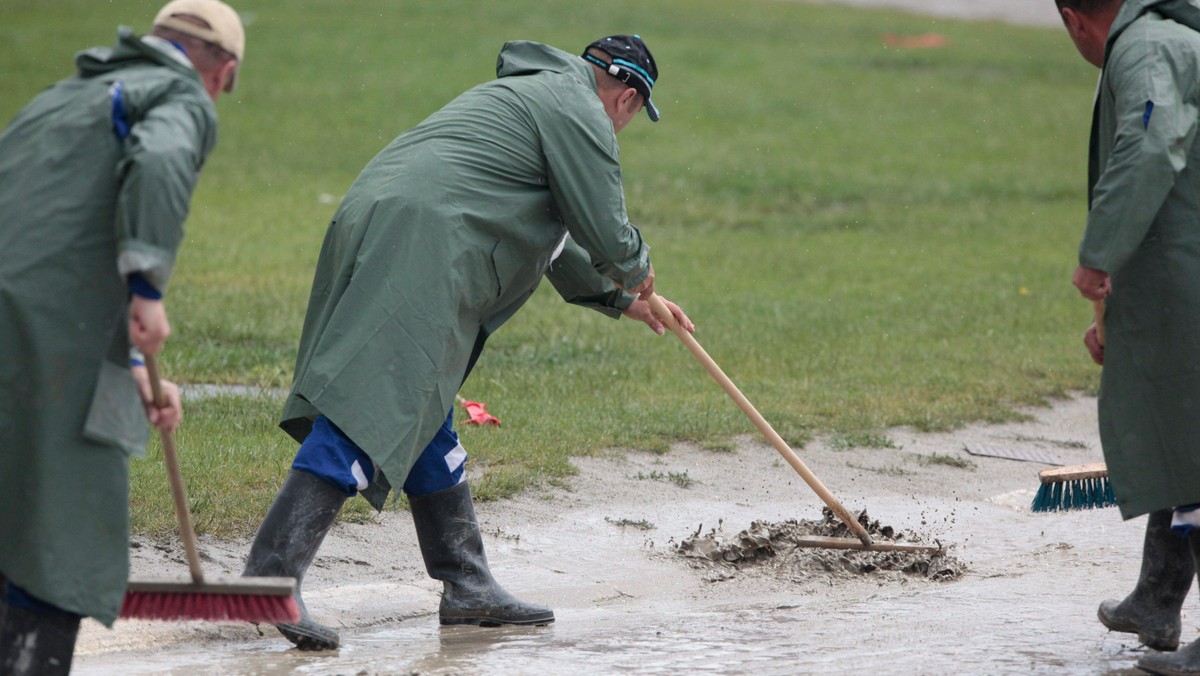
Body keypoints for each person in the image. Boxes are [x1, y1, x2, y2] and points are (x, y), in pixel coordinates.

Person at [241, 34, 694, 650]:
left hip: (385, 213)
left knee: (422, 401)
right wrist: (637, 270)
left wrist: (624, 300)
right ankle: (270, 576)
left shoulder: (536, 95)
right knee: (375, 402)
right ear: (628, 97)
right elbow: (606, 229)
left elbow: (557, 238)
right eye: (637, 111)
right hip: (426, 235)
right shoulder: (581, 110)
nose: (629, 122)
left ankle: (467, 583)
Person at [0, 1, 245, 672]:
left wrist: (136, 367)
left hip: (28, 315)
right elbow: (162, 158)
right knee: (63, 509)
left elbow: (55, 226)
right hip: (46, 325)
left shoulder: (63, 95)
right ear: (220, 73)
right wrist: (148, 287)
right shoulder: (181, 98)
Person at [1059, 0, 1200, 672]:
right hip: (1176, 273)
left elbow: (1149, 140)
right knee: (1180, 429)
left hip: (1188, 273)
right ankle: (1157, 597)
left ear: (1074, 19)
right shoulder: (1162, 38)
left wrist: (1100, 251)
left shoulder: (1144, 47)